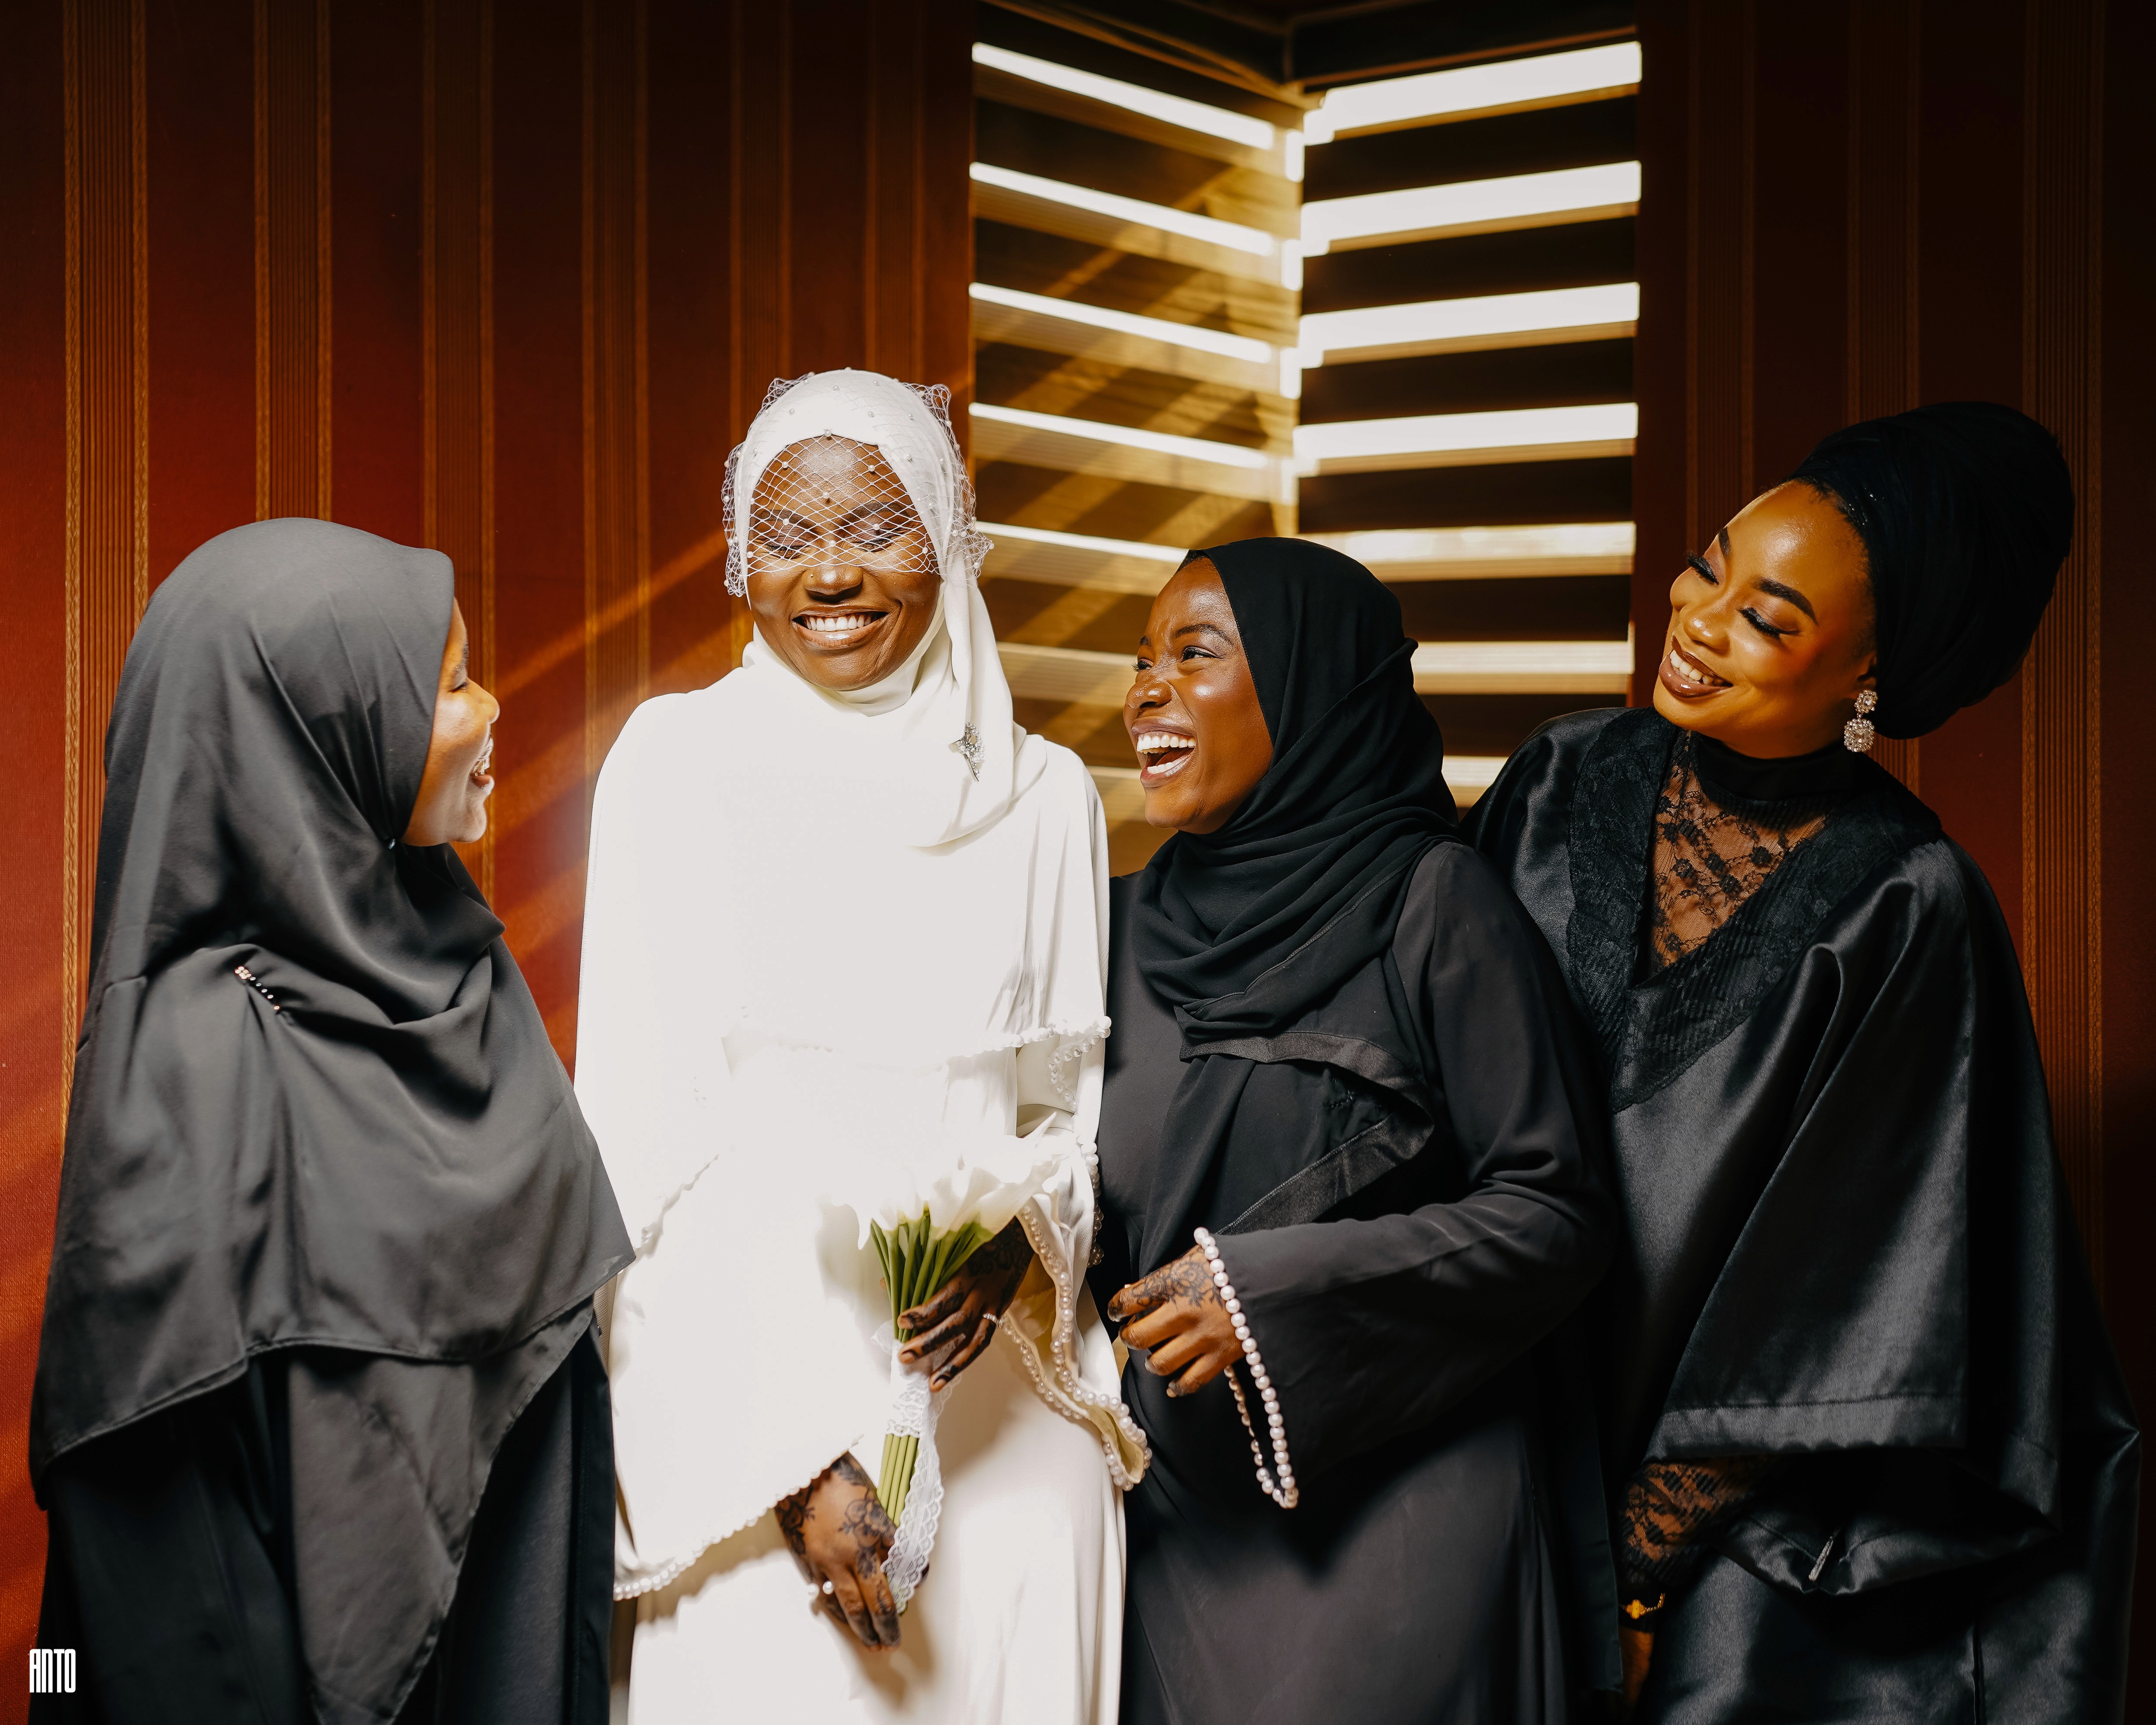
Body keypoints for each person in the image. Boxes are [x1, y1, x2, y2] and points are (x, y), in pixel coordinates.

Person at [1467, 401, 2139, 1722]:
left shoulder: (1909, 905)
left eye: (1769, 618)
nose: (1701, 619)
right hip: (1478, 1446)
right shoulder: (1553, 781)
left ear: (1872, 685)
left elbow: (1851, 1302)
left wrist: (1636, 1574)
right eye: (1710, 564)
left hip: (1724, 1530)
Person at [578, 369, 1147, 1725]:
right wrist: (787, 1460)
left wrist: (1019, 1246)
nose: (829, 574)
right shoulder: (675, 765)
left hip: (999, 1419)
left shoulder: (1048, 794)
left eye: (877, 526)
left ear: (949, 538)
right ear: (740, 561)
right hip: (746, 1417)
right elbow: (637, 1151)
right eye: (784, 535)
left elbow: (1064, 1116)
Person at [31, 518, 632, 1724]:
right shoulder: (196, 1068)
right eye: (450, 682)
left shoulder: (456, 970)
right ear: (318, 734)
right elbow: (155, 1539)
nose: (491, 707)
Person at [1091, 538, 1617, 1725]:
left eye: (1196, 654)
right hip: (1168, 1516)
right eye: (1140, 661)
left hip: (1400, 1522)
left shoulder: (1436, 904)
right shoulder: (1115, 927)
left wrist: (1270, 1291)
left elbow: (1557, 1210)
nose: (1146, 690)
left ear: (1315, 686)